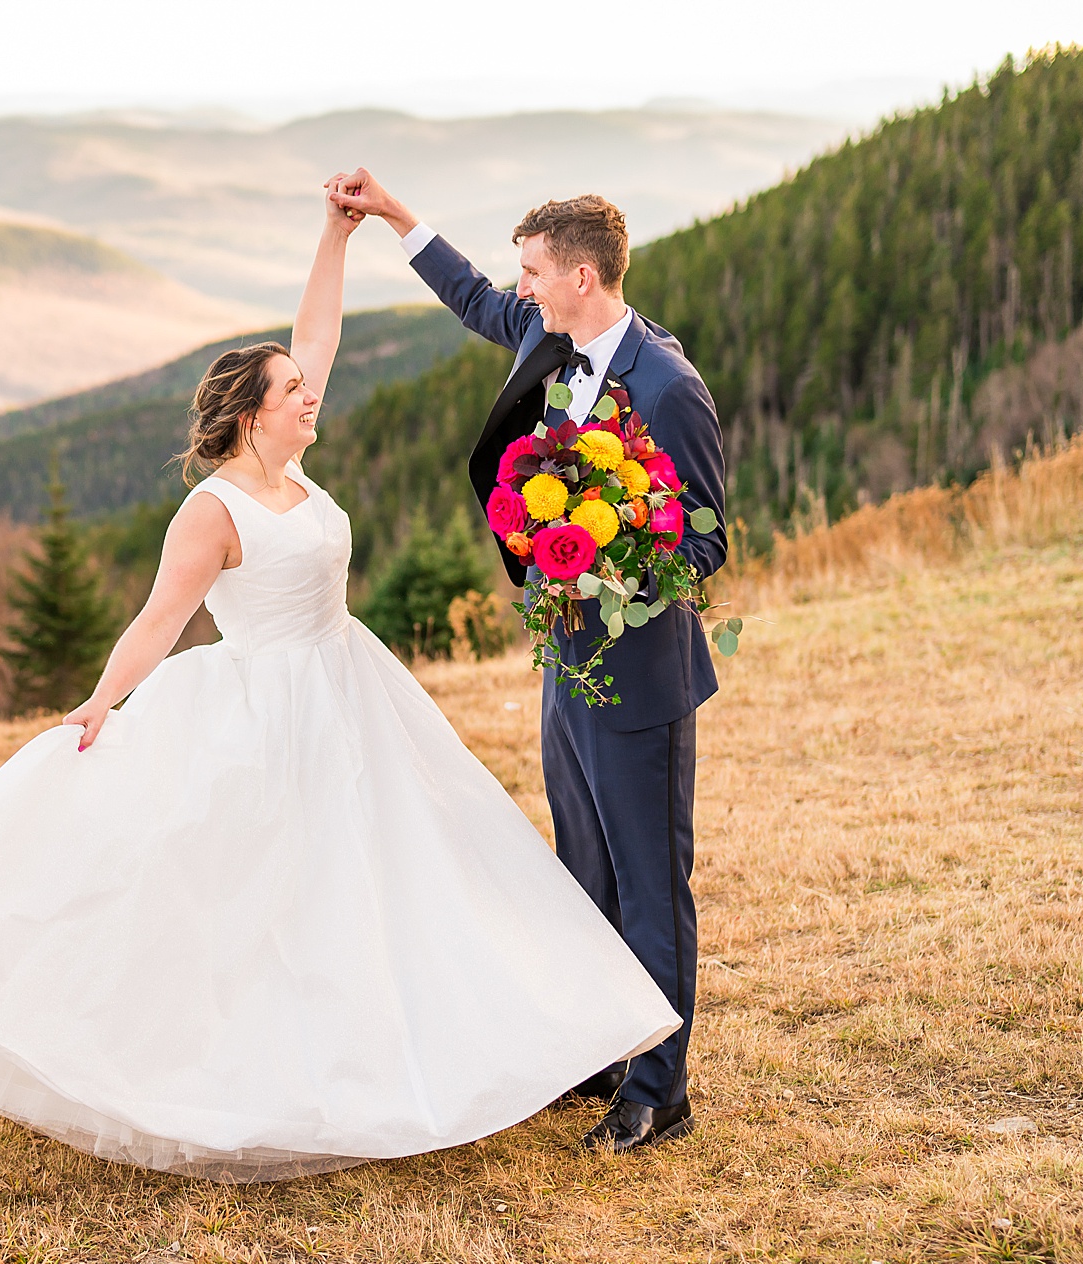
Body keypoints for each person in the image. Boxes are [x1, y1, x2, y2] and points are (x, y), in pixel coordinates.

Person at [0, 182, 679, 1209]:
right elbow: (160, 619)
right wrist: (102, 702)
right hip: (265, 716)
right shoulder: (214, 509)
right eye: (292, 389)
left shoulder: (293, 458)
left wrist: (339, 234)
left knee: (398, 883)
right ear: (251, 415)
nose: (310, 395)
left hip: (353, 698)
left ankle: (466, 1046)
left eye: (304, 384)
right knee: (262, 903)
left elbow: (316, 332)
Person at [329, 171, 727, 1153]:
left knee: (647, 880)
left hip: (639, 678)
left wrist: (607, 559)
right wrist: (390, 214)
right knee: (581, 871)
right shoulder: (548, 337)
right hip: (565, 663)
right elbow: (470, 296)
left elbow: (704, 544)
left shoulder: (668, 387)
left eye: (535, 272)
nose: (522, 287)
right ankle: (595, 1046)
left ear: (582, 277)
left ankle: (657, 1088)